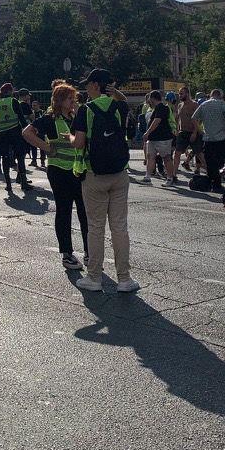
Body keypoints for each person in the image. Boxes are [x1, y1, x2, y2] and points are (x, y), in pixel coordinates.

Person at [69, 69, 138, 293]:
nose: (85, 88)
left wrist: (69, 137)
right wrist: (115, 91)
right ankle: (125, 279)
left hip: (94, 175)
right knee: (120, 227)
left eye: (88, 84)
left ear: (96, 86)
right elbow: (124, 102)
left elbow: (79, 143)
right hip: (119, 173)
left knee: (96, 228)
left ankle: (94, 278)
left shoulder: (85, 110)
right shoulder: (119, 107)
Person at [23, 82, 89, 270]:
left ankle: (89, 252)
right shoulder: (50, 119)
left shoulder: (76, 116)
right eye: (70, 98)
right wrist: (46, 147)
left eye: (73, 98)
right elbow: (27, 132)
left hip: (78, 170)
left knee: (85, 212)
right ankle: (67, 254)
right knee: (64, 211)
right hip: (59, 171)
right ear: (60, 100)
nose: (73, 101)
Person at [0, 83, 33, 194]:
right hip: (15, 132)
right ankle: (23, 182)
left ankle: (8, 184)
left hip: (1, 134)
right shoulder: (13, 101)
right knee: (20, 157)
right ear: (10, 91)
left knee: (5, 158)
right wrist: (28, 130)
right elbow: (21, 118)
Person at [191, 89, 225, 191]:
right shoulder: (221, 103)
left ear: (210, 95)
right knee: (219, 161)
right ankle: (217, 184)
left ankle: (213, 182)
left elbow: (193, 118)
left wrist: (200, 130)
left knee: (210, 162)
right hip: (221, 137)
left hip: (208, 138)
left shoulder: (203, 104)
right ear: (219, 95)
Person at [142, 90, 177, 186]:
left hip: (163, 139)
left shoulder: (162, 108)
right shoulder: (155, 108)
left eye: (150, 99)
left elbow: (157, 121)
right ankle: (147, 177)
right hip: (153, 138)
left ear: (153, 98)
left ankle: (170, 178)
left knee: (166, 158)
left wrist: (147, 132)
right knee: (150, 157)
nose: (149, 101)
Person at [173, 87, 201, 175]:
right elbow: (178, 119)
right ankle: (173, 175)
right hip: (183, 133)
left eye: (182, 94)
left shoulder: (194, 104)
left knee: (200, 154)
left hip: (193, 132)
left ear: (187, 94)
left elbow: (198, 120)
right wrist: (177, 130)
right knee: (177, 153)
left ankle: (211, 175)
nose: (180, 95)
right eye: (179, 94)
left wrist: (195, 132)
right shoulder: (180, 105)